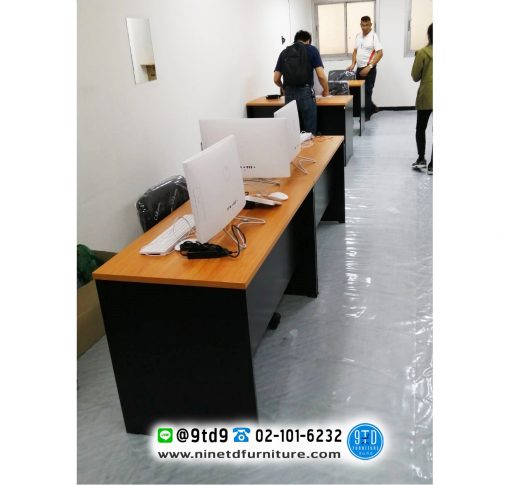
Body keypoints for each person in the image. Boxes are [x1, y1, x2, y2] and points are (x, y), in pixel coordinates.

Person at [274, 30, 329, 135]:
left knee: (292, 132)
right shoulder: (312, 50)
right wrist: (326, 90)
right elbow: (321, 76)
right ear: (308, 41)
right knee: (309, 133)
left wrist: (283, 88)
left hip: (289, 95)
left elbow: (276, 79)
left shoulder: (284, 53)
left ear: (296, 40)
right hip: (306, 94)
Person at [347, 16, 383, 121]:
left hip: (369, 69)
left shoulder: (374, 36)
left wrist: (369, 67)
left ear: (370, 25)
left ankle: (366, 116)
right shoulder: (358, 36)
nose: (364, 27)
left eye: (367, 25)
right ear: (360, 25)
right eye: (362, 25)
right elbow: (355, 51)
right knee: (359, 92)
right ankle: (372, 108)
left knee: (367, 92)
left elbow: (380, 53)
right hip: (359, 68)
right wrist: (353, 64)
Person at [411, 23, 433, 174]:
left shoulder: (423, 53)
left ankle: (421, 159)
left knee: (421, 128)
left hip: (427, 94)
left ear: (429, 35)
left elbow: (415, 76)